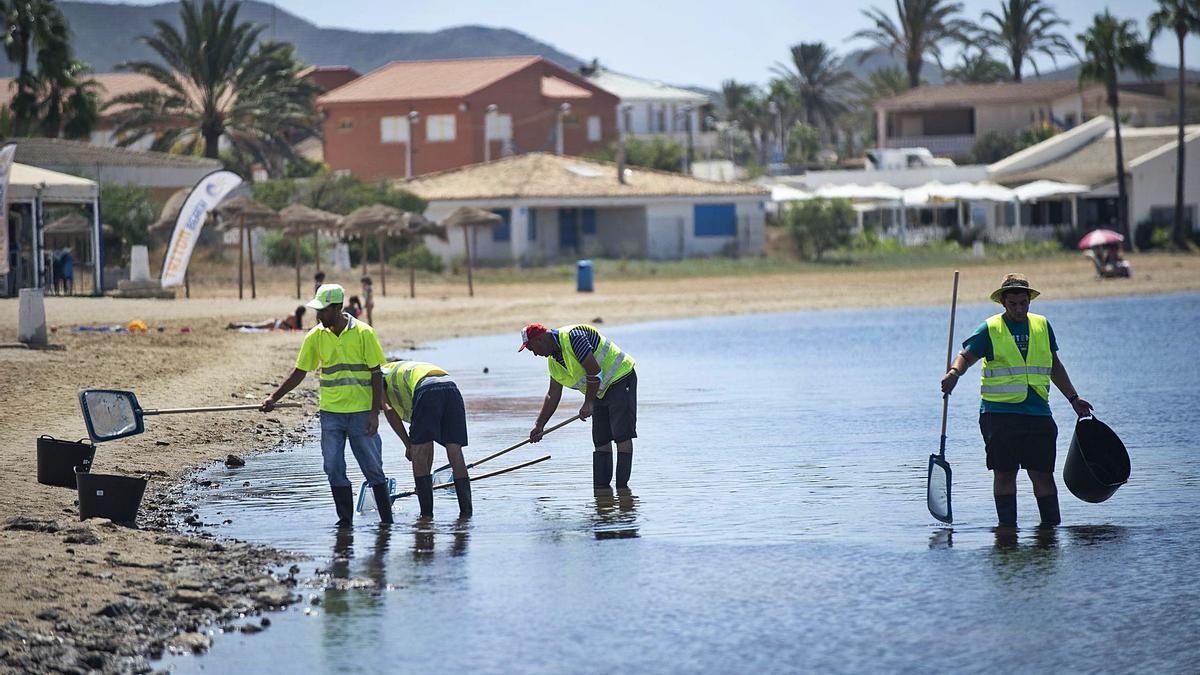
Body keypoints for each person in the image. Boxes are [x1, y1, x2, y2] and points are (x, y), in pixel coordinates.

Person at [941, 273, 1093, 528]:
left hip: (1038, 414)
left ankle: (1050, 533)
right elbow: (965, 356)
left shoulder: (1042, 325)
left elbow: (1054, 365)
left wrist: (1073, 398)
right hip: (998, 416)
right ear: (1003, 302)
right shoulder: (990, 328)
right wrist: (954, 373)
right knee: (1004, 475)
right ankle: (1007, 531)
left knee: (1043, 476)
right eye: (1013, 304)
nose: (1019, 309)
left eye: (1024, 303)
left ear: (1029, 300)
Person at [261, 284, 391, 526]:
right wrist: (273, 397)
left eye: (323, 310)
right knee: (332, 466)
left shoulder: (364, 333)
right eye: (317, 310)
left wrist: (375, 413)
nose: (318, 315)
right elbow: (299, 372)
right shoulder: (315, 336)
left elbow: (376, 374)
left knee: (372, 468)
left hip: (361, 413)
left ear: (338, 308)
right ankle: (345, 522)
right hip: (331, 414)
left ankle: (387, 524)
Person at [520, 323, 637, 489]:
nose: (535, 354)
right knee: (600, 439)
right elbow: (553, 394)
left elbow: (595, 372)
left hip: (620, 377)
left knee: (621, 435)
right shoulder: (554, 363)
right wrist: (539, 425)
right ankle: (602, 490)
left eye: (532, 349)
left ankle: (622, 491)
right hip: (598, 390)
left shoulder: (574, 338)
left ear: (539, 340)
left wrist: (588, 403)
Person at [381, 360, 472, 517]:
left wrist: (408, 444)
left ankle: (426, 517)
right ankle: (467, 514)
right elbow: (426, 439)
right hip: (450, 386)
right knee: (454, 450)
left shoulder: (375, 377)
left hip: (426, 388)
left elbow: (388, 410)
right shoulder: (393, 370)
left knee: (418, 453)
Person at [226, 306, 307, 331]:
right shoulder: (294, 317)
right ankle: (235, 325)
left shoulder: (294, 315)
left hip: (276, 323)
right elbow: (295, 328)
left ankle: (235, 325)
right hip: (275, 324)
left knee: (254, 326)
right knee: (254, 326)